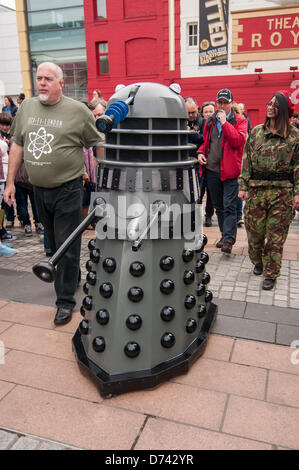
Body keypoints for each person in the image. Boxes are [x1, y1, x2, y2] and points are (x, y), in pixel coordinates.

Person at [4, 61, 104, 325]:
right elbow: (18, 145)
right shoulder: (26, 107)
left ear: (61, 83)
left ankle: (65, 302)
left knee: (67, 245)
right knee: (55, 242)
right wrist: (10, 182)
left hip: (68, 189)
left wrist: (105, 177)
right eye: (39, 78)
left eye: (48, 78)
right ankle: (73, 277)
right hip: (39, 191)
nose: (42, 83)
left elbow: (97, 144)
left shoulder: (78, 111)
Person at [238, 90, 299, 290]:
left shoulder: (294, 136)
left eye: (275, 105)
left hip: (282, 193)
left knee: (275, 236)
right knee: (254, 235)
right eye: (269, 104)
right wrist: (243, 186)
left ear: (283, 110)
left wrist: (297, 193)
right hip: (257, 191)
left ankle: (271, 273)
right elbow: (246, 161)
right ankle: (258, 261)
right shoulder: (256, 132)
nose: (270, 107)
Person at [197, 88, 247, 254]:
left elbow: (237, 141)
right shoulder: (210, 121)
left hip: (230, 172)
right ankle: (224, 235)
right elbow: (206, 142)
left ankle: (228, 240)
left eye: (226, 103)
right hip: (212, 170)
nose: (222, 105)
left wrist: (225, 123)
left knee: (230, 206)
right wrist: (200, 153)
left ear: (231, 103)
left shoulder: (240, 120)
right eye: (220, 102)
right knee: (218, 206)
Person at [184, 97, 214, 227]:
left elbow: (204, 139)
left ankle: (207, 216)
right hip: (183, 162)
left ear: (198, 110)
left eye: (193, 112)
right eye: (188, 113)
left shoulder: (202, 122)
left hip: (198, 163)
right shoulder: (179, 121)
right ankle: (190, 218)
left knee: (200, 191)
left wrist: (190, 132)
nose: (191, 115)